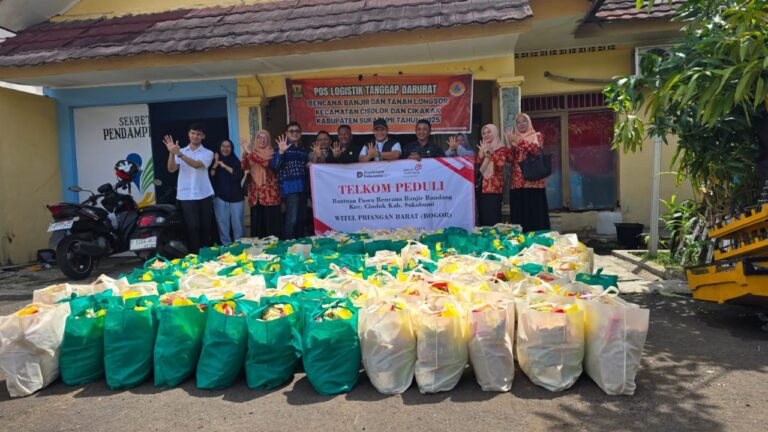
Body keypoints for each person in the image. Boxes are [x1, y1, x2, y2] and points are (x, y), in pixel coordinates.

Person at [163, 123, 215, 254]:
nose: (195, 136)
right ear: (188, 134)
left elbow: (197, 165)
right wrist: (171, 153)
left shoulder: (208, 153)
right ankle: (194, 255)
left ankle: (207, 254)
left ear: (203, 136)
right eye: (193, 133)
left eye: (198, 134)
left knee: (205, 226)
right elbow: (171, 169)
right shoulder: (180, 151)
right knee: (192, 227)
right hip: (186, 195)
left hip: (204, 194)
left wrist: (179, 154)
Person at [506, 113, 551, 232]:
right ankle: (521, 238)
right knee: (519, 213)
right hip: (517, 182)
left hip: (534, 181)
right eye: (518, 122)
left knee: (535, 213)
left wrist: (518, 140)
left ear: (529, 122)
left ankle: (538, 237)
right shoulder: (514, 138)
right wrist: (509, 144)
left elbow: (536, 150)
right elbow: (510, 159)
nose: (521, 124)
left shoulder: (537, 136)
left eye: (524, 121)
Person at [270, 122, 309, 239]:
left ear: (300, 133)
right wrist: (281, 152)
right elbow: (274, 167)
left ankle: (300, 243)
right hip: (289, 189)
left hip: (303, 188)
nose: (294, 133)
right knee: (292, 219)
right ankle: (289, 244)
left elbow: (305, 169)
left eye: (297, 131)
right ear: (286, 133)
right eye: (291, 131)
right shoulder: (280, 148)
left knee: (301, 219)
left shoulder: (303, 150)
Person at [242, 130, 281, 238]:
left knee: (270, 222)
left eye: (265, 138)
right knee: (257, 221)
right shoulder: (251, 153)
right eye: (259, 137)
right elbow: (244, 167)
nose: (262, 140)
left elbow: (265, 163)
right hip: (255, 193)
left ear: (268, 140)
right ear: (256, 139)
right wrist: (245, 153)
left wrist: (250, 153)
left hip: (269, 193)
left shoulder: (272, 152)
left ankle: (273, 244)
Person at [209, 139, 244, 246]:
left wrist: (224, 166)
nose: (225, 148)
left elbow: (238, 176)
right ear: (219, 148)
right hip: (220, 198)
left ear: (232, 148)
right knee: (222, 224)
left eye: (228, 146)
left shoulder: (236, 162)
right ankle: (226, 246)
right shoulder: (214, 162)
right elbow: (210, 177)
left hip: (236, 198)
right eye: (223, 146)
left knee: (237, 225)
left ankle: (239, 246)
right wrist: (215, 165)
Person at [476, 124, 511, 227]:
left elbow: (500, 163)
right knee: (483, 217)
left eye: (489, 132)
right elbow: (477, 165)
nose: (486, 135)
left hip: (494, 188)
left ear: (495, 132)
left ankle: (494, 237)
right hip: (482, 187)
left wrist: (489, 152)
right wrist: (481, 155)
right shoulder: (483, 147)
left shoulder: (501, 148)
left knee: (493, 217)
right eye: (484, 133)